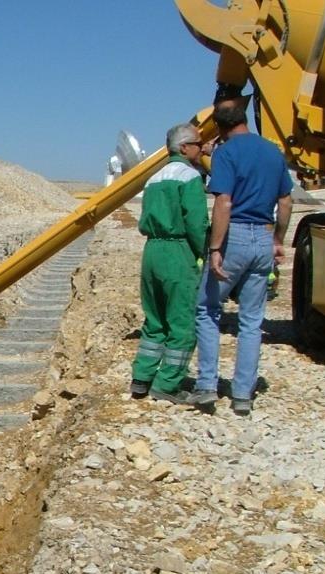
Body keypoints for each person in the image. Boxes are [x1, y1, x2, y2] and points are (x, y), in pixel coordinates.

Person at [190, 103, 292, 416]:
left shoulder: (226, 154)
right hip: (263, 237)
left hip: (233, 236)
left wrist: (216, 248)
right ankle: (243, 395)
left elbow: (224, 202)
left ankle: (207, 385)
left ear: (220, 128)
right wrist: (277, 240)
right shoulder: (273, 152)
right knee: (251, 320)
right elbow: (285, 201)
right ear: (245, 121)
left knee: (207, 309)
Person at [129, 123, 209, 403]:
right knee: (182, 322)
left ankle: (141, 377)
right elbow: (196, 222)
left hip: (152, 251)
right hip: (177, 251)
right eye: (198, 144)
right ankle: (167, 383)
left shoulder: (154, 178)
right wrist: (206, 253)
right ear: (184, 147)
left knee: (155, 320)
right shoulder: (189, 177)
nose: (202, 148)